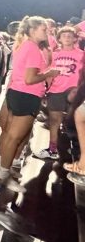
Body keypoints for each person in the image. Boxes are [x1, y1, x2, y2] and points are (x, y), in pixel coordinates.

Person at [0, 16, 59, 191]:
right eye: (43, 29)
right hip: (27, 95)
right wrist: (49, 73)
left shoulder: (26, 45)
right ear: (32, 30)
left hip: (17, 93)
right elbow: (30, 79)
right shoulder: (33, 49)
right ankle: (2, 176)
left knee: (12, 136)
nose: (47, 32)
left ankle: (2, 170)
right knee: (14, 137)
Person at [35, 26, 83, 160]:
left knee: (73, 123)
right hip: (56, 91)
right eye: (64, 36)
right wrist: (46, 90)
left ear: (75, 39)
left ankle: (77, 152)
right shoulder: (55, 54)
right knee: (54, 121)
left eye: (70, 36)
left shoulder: (81, 54)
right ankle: (52, 149)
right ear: (59, 39)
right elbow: (49, 74)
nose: (67, 38)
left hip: (74, 92)